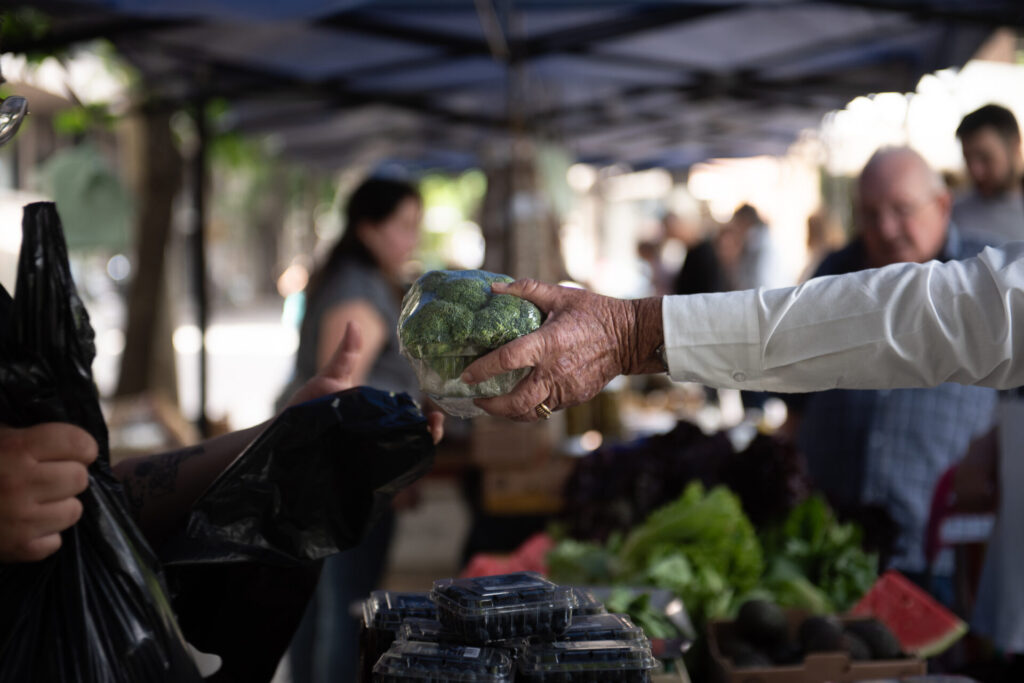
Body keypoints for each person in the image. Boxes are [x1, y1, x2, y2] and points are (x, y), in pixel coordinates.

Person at [784, 148, 996, 602]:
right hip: (832, 550)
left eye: (901, 210)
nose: (885, 229)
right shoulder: (832, 272)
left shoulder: (985, 282)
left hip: (944, 555)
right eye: (871, 214)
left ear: (941, 206)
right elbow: (795, 406)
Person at [281, 176, 425, 683]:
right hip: (340, 478)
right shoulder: (358, 290)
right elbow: (339, 399)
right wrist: (382, 474)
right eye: (404, 226)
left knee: (322, 608)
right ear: (368, 227)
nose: (412, 240)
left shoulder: (356, 278)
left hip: (326, 474)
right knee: (344, 612)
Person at [952, 104, 1024, 246]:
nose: (975, 171)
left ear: (1015, 145)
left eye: (985, 157)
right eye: (967, 159)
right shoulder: (954, 215)